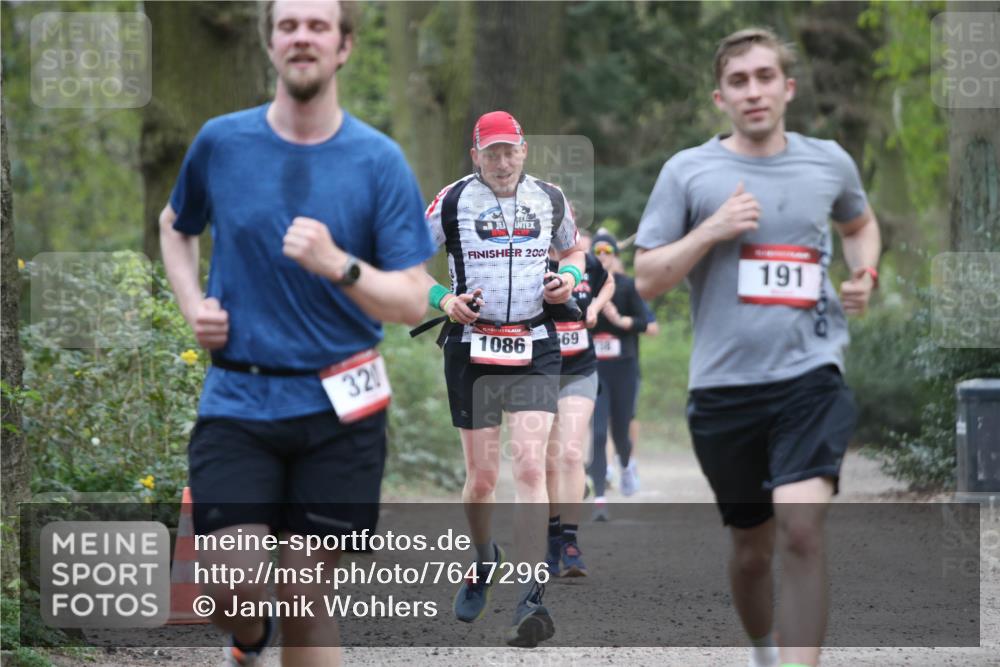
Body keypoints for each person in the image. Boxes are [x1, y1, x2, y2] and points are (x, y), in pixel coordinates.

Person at [159, 2, 435, 665]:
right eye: (289, 25)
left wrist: (339, 264)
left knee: (310, 594)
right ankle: (250, 638)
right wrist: (193, 303)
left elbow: (412, 297)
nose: (302, 36)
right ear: (271, 43)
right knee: (231, 581)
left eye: (317, 26)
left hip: (343, 404)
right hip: (239, 399)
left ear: (343, 47)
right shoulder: (221, 142)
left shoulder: (379, 160)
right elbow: (176, 225)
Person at [634, 27, 881, 667]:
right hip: (723, 389)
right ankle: (761, 649)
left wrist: (865, 273)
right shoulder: (688, 171)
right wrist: (711, 231)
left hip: (811, 376)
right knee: (752, 550)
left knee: (802, 532)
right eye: (738, 82)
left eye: (765, 77)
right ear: (720, 97)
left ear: (787, 88)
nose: (753, 91)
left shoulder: (828, 162)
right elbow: (646, 279)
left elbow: (859, 223)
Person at [423, 110, 585, 647]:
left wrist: (569, 278)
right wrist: (442, 299)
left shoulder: (551, 198)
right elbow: (400, 260)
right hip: (472, 348)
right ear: (475, 156)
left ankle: (530, 598)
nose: (500, 161)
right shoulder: (450, 201)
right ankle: (483, 557)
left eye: (508, 151)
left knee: (530, 468)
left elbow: (575, 249)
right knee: (484, 479)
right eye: (489, 152)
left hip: (535, 342)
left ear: (524, 151)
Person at [544, 236, 615, 577]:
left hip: (579, 369)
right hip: (539, 369)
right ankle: (551, 536)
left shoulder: (585, 261)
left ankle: (570, 542)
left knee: (571, 453)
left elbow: (609, 282)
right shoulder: (528, 259)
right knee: (547, 461)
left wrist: (596, 308)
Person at [587, 233, 649, 520]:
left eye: (606, 251)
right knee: (598, 434)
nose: (601, 256)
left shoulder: (626, 286)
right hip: (593, 370)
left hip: (623, 368)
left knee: (621, 433)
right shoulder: (583, 287)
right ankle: (599, 498)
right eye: (596, 251)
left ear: (613, 255)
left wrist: (619, 320)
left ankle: (626, 464)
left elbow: (647, 324)